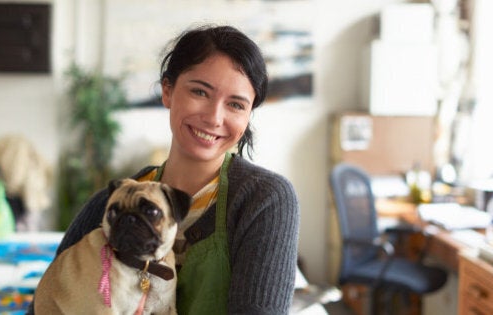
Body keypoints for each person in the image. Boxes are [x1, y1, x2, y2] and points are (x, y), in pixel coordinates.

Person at [27, 24, 300, 314]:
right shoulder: (111, 205)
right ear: (167, 91)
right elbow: (48, 300)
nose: (214, 117)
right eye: (200, 92)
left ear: (248, 116)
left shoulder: (265, 200)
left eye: (235, 105)